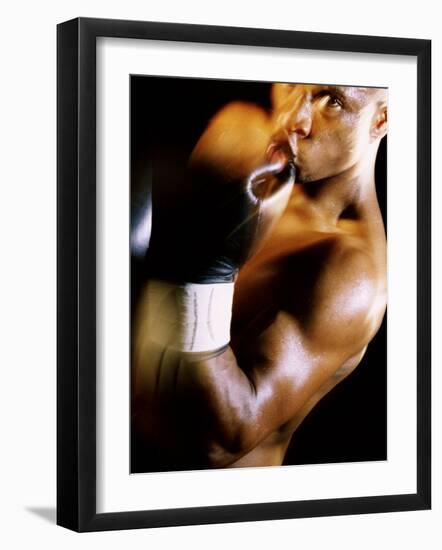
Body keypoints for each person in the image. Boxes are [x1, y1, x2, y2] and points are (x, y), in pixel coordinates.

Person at [131, 82, 388, 471]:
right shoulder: (253, 170)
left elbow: (225, 439)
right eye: (289, 85)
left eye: (331, 101)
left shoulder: (349, 268)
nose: (291, 119)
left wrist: (201, 269)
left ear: (382, 118)